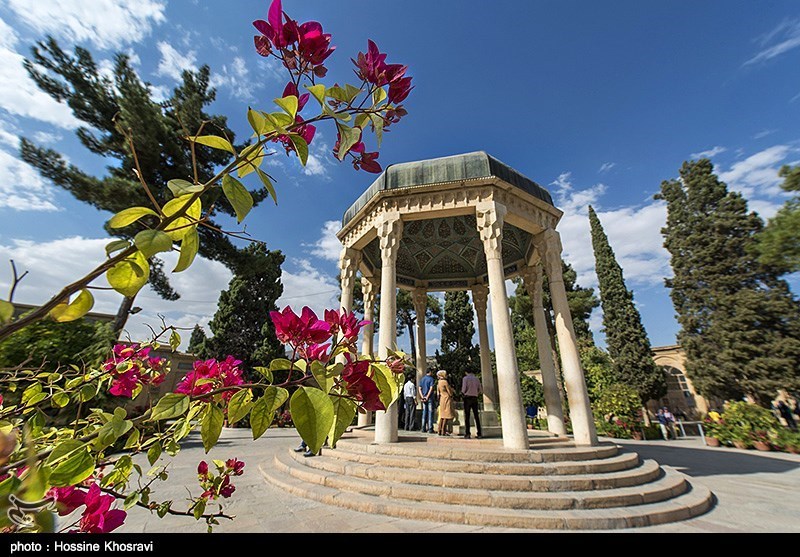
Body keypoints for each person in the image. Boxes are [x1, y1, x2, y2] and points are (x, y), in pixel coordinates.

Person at [461, 370, 483, 439]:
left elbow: (463, 389)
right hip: (475, 398)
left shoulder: (465, 378)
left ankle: (467, 433)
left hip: (467, 398)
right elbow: (480, 390)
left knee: (467, 416)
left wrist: (463, 393)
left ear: (466, 372)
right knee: (476, 416)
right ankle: (479, 433)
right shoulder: (477, 379)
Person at [436, 370, 455, 436]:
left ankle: (439, 429)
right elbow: (449, 391)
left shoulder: (439, 382)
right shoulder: (445, 382)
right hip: (447, 398)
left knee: (442, 415)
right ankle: (443, 430)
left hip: (442, 399)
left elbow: (438, 392)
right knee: (446, 415)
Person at [418, 369, 436, 433]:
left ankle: (423, 428)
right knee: (430, 413)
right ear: (430, 372)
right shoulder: (431, 379)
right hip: (430, 398)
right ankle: (430, 428)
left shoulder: (422, 379)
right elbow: (431, 388)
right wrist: (427, 397)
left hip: (423, 397)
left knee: (424, 412)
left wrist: (422, 396)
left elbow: (419, 388)